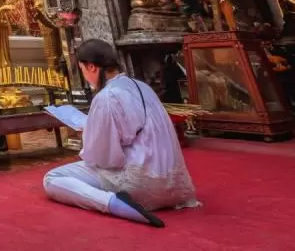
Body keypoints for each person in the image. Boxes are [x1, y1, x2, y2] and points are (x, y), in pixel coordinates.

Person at [42, 39, 198, 228]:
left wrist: (88, 132)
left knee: (52, 179)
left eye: (82, 69)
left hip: (142, 185)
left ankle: (113, 203)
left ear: (91, 67)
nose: (84, 75)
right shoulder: (142, 86)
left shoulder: (106, 97)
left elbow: (102, 157)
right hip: (174, 184)